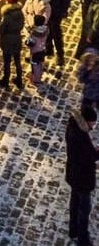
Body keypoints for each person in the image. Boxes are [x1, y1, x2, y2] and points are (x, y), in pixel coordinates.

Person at [67, 101, 99, 246]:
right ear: (85, 121)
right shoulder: (81, 136)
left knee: (74, 204)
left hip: (74, 174)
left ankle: (73, 230)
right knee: (84, 210)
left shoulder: (73, 126)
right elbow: (89, 157)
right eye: (92, 124)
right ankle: (83, 239)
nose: (93, 127)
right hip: (83, 178)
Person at [0, 0, 25, 90]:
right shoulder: (20, 13)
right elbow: (22, 25)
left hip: (8, 40)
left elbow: (2, 29)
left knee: (7, 62)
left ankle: (5, 80)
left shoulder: (7, 16)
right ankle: (19, 79)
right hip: (17, 38)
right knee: (17, 61)